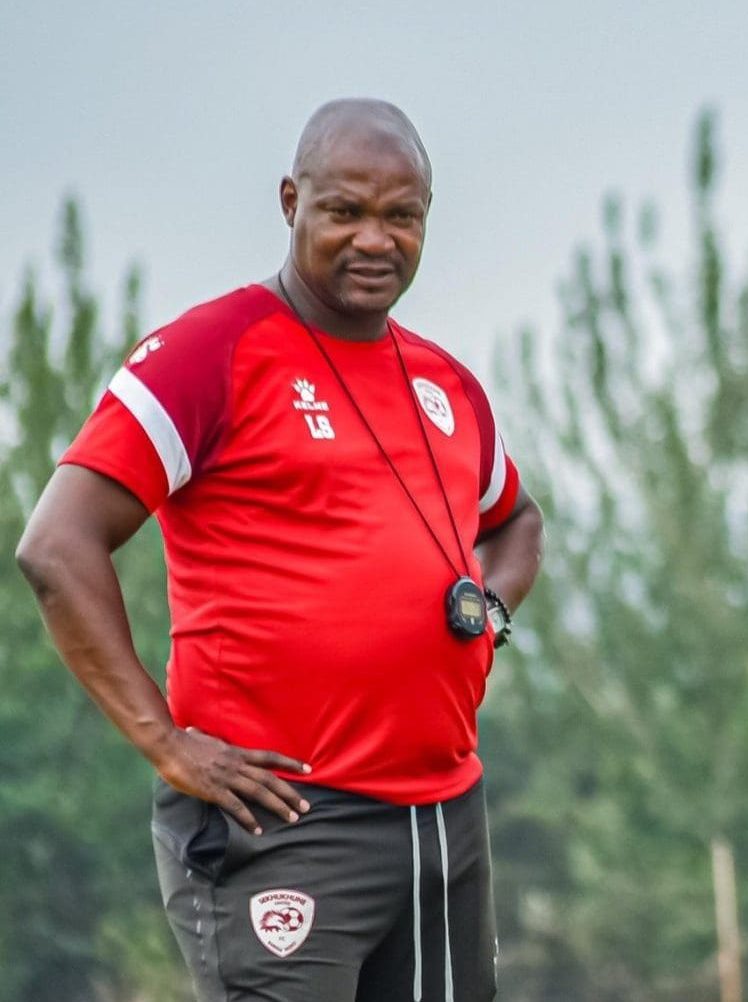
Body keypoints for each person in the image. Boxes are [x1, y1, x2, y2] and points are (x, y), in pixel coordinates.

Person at [15, 99, 543, 1002]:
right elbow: (57, 547)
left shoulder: (447, 382)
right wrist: (168, 744)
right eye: (345, 211)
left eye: (401, 216)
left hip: (442, 819)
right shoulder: (211, 352)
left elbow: (516, 522)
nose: (375, 239)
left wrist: (484, 617)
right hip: (284, 821)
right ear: (292, 201)